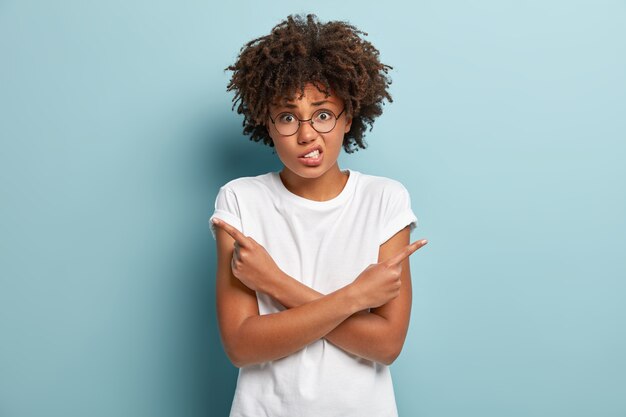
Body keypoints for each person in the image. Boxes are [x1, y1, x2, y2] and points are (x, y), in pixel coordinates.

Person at [209, 14, 428, 417]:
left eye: (323, 114)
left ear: (348, 118)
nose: (307, 134)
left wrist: (274, 282)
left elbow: (386, 345)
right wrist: (356, 299)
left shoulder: (384, 199)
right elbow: (241, 346)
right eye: (288, 117)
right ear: (267, 124)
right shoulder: (241, 200)